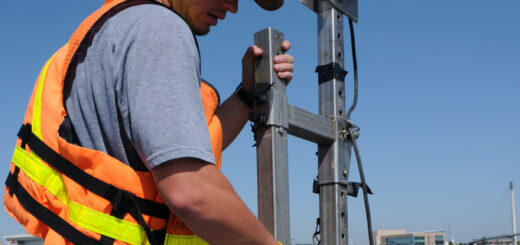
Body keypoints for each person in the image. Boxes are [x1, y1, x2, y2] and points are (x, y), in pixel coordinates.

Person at [4, 0, 294, 244]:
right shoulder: (159, 29)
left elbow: (190, 150)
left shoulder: (115, 25)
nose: (233, 7)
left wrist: (247, 94)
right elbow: (190, 190)